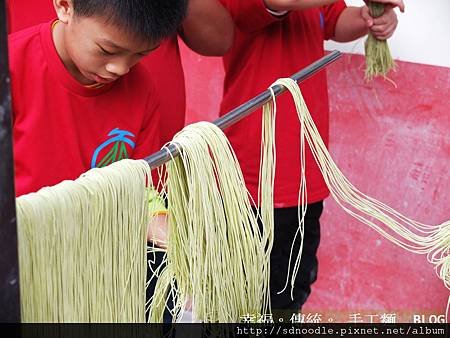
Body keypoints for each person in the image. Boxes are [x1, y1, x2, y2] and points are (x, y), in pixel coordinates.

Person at [218, 0, 404, 319]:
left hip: (304, 172)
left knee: (290, 293)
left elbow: (333, 21)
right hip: (250, 173)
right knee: (235, 297)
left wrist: (366, 19)